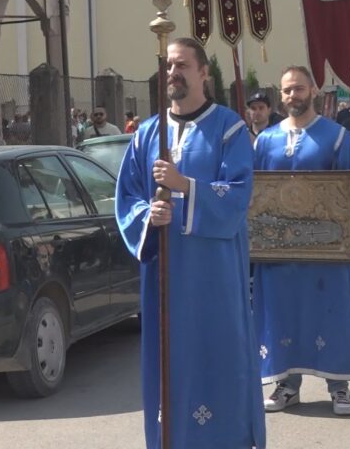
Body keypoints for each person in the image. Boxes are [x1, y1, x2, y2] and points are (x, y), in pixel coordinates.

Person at [115, 37, 265, 448]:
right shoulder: (147, 133)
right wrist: (150, 216)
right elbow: (126, 197)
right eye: (169, 66)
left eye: (182, 65)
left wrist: (183, 188)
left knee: (219, 357)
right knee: (170, 365)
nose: (173, 73)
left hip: (214, 275)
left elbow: (238, 195)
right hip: (165, 278)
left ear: (204, 74)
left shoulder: (229, 127)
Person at [254, 66, 350, 417]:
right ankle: (287, 386)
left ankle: (339, 387)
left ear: (313, 90)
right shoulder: (265, 141)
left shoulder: (337, 137)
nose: (293, 95)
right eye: (287, 90)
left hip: (327, 248)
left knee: (331, 313)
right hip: (277, 249)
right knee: (283, 315)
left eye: (299, 89)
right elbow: (252, 193)